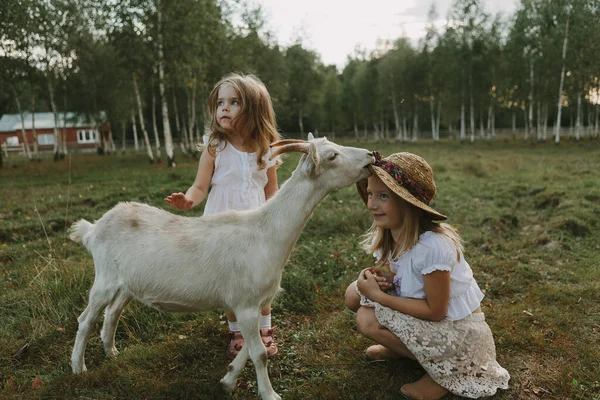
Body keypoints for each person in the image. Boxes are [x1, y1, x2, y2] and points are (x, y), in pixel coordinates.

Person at [345, 152, 510, 400]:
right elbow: (399, 273)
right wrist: (379, 279)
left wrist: (380, 296)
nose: (371, 204)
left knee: (366, 319)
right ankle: (405, 349)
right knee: (352, 295)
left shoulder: (433, 246)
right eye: (370, 194)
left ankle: (445, 374)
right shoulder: (392, 234)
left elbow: (436, 311)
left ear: (406, 202)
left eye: (382, 196)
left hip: (457, 334)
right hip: (432, 320)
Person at [164, 73, 281, 360]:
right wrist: (188, 199)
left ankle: (264, 330)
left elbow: (272, 190)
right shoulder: (215, 146)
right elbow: (201, 185)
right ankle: (237, 332)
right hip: (221, 224)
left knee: (261, 278)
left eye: (234, 102)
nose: (224, 108)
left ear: (254, 109)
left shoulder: (266, 149)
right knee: (230, 283)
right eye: (220, 103)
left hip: (255, 225)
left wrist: (276, 223)